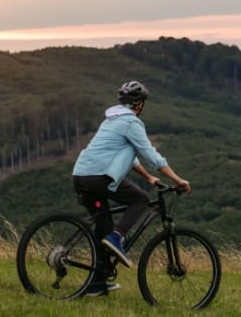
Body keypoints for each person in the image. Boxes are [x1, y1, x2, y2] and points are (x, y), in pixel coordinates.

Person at [71, 80, 191, 297]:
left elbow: (131, 157)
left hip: (81, 175)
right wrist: (178, 180)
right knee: (141, 200)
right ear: (140, 104)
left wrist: (148, 177)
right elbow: (151, 155)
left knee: (103, 225)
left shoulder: (111, 119)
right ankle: (117, 237)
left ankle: (97, 283)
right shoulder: (132, 123)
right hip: (98, 177)